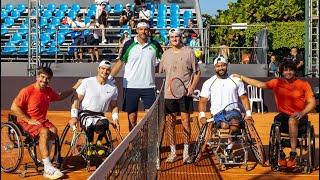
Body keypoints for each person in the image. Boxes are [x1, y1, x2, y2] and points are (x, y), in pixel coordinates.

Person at [233, 60, 316, 168]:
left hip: (300, 117)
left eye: (290, 70)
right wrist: (242, 77)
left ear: (294, 71)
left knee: (292, 120)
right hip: (284, 115)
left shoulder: (304, 84)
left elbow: (312, 102)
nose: (288, 72)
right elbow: (259, 84)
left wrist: (302, 112)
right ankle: (281, 152)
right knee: (276, 124)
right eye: (285, 70)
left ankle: (293, 153)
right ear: (282, 72)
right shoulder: (277, 82)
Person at [10, 67, 81, 179]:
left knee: (53, 130)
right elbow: (14, 107)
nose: (44, 80)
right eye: (42, 77)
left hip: (41, 120)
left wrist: (75, 87)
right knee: (44, 132)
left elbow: (60, 96)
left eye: (47, 78)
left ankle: (46, 159)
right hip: (26, 121)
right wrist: (28, 120)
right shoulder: (27, 91)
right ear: (37, 77)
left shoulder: (48, 90)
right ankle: (47, 167)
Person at [110, 20, 163, 131]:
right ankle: (132, 144)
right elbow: (120, 62)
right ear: (137, 30)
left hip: (149, 86)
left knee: (150, 118)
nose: (143, 31)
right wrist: (110, 77)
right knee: (132, 118)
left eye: (146, 29)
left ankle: (148, 143)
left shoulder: (155, 45)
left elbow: (164, 60)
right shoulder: (128, 44)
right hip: (130, 86)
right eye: (141, 29)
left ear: (149, 30)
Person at [159, 28, 201, 163]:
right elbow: (161, 72)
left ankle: (186, 152)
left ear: (181, 37)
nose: (174, 39)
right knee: (169, 123)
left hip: (185, 94)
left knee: (185, 122)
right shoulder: (165, 54)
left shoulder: (189, 52)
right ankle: (172, 152)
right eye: (172, 37)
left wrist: (192, 87)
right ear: (169, 39)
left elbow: (197, 72)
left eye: (176, 36)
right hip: (168, 94)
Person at [198, 56, 252, 159]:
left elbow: (244, 98)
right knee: (224, 125)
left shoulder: (236, 80)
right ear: (215, 67)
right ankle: (227, 143)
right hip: (217, 114)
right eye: (218, 66)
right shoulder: (209, 83)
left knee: (234, 125)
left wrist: (249, 115)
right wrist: (202, 116)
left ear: (227, 66)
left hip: (233, 111)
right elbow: (202, 101)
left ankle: (229, 148)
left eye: (223, 65)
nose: (221, 68)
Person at [69, 60, 120, 148]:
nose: (105, 71)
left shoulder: (113, 88)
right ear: (98, 69)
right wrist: (74, 116)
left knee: (104, 123)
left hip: (100, 115)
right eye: (103, 68)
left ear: (110, 71)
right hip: (85, 114)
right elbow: (76, 100)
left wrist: (115, 118)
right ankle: (89, 144)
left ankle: (98, 143)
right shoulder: (87, 82)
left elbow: (114, 105)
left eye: (108, 70)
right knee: (89, 125)